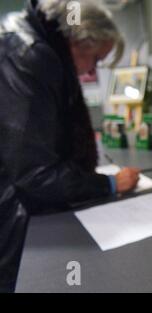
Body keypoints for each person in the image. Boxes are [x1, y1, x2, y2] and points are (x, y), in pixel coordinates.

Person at [0, 0, 140, 292]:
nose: (94, 68)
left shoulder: (25, 41)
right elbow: (35, 175)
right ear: (80, 41)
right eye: (97, 59)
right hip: (13, 223)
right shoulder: (31, 55)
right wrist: (110, 184)